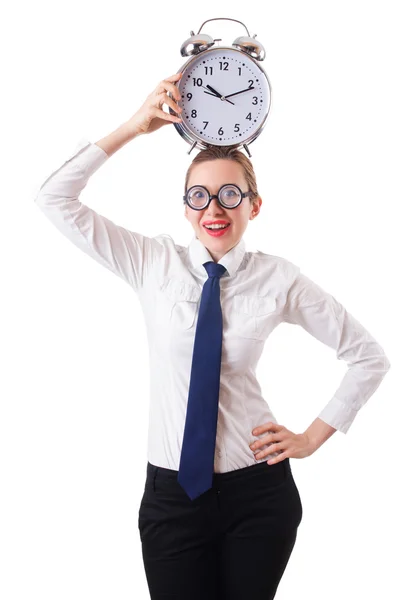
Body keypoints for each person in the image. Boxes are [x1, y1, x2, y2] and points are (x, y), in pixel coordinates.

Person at [34, 72, 391, 600]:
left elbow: (368, 357)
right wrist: (135, 126)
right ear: (184, 207)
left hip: (259, 494)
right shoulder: (151, 262)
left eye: (229, 194)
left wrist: (313, 437)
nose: (213, 209)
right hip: (172, 497)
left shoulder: (280, 279)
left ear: (254, 204)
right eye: (198, 196)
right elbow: (53, 198)